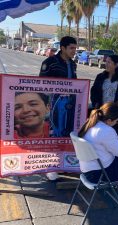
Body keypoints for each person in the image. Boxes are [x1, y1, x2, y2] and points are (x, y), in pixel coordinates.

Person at [39, 35, 77, 181]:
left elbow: (75, 84)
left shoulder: (73, 65)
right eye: (71, 48)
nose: (74, 51)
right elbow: (41, 85)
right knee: (53, 133)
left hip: (70, 104)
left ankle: (63, 164)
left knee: (67, 133)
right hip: (55, 103)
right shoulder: (50, 63)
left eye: (75, 48)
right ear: (63, 48)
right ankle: (50, 167)